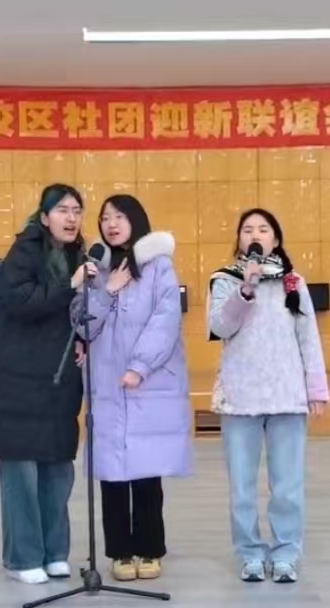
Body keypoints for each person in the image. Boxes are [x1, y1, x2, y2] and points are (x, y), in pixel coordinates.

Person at [71, 194, 192, 582]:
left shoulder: (159, 267)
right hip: (107, 384)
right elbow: (81, 323)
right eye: (105, 217)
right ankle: (120, 552)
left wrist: (139, 366)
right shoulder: (96, 269)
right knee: (112, 473)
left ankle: (150, 548)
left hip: (148, 382)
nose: (111, 224)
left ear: (136, 221)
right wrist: (106, 289)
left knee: (145, 471)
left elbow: (166, 319)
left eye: (119, 216)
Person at [0, 183, 96, 585]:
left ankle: (55, 552)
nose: (71, 217)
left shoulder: (80, 256)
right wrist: (71, 285)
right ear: (44, 217)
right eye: (62, 210)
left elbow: (81, 312)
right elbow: (21, 302)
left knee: (57, 469)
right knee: (22, 473)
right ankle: (22, 557)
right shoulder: (24, 252)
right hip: (19, 379)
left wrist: (83, 339)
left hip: (59, 379)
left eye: (76, 210)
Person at [206, 208, 330, 584]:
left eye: (263, 229)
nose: (255, 234)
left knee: (288, 485)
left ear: (275, 239)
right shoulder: (224, 280)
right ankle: (250, 554)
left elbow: (308, 337)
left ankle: (286, 552)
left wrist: (316, 388)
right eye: (247, 229)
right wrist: (246, 289)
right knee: (242, 487)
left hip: (286, 394)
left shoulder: (294, 283)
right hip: (240, 396)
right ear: (239, 240)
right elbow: (219, 327)